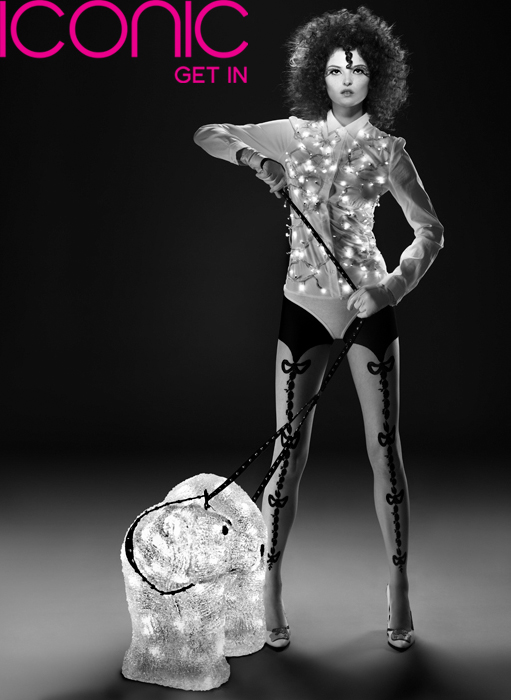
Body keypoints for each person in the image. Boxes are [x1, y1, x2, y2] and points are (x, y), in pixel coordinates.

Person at [194, 6, 443, 652]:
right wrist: (255, 161)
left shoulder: (389, 151)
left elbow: (430, 232)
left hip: (367, 307)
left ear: (375, 76)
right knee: (289, 453)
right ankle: (269, 584)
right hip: (301, 306)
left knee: (384, 448)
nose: (347, 78)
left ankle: (398, 585)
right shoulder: (294, 135)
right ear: (318, 76)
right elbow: (208, 133)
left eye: (357, 69)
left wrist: (388, 288)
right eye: (335, 69)